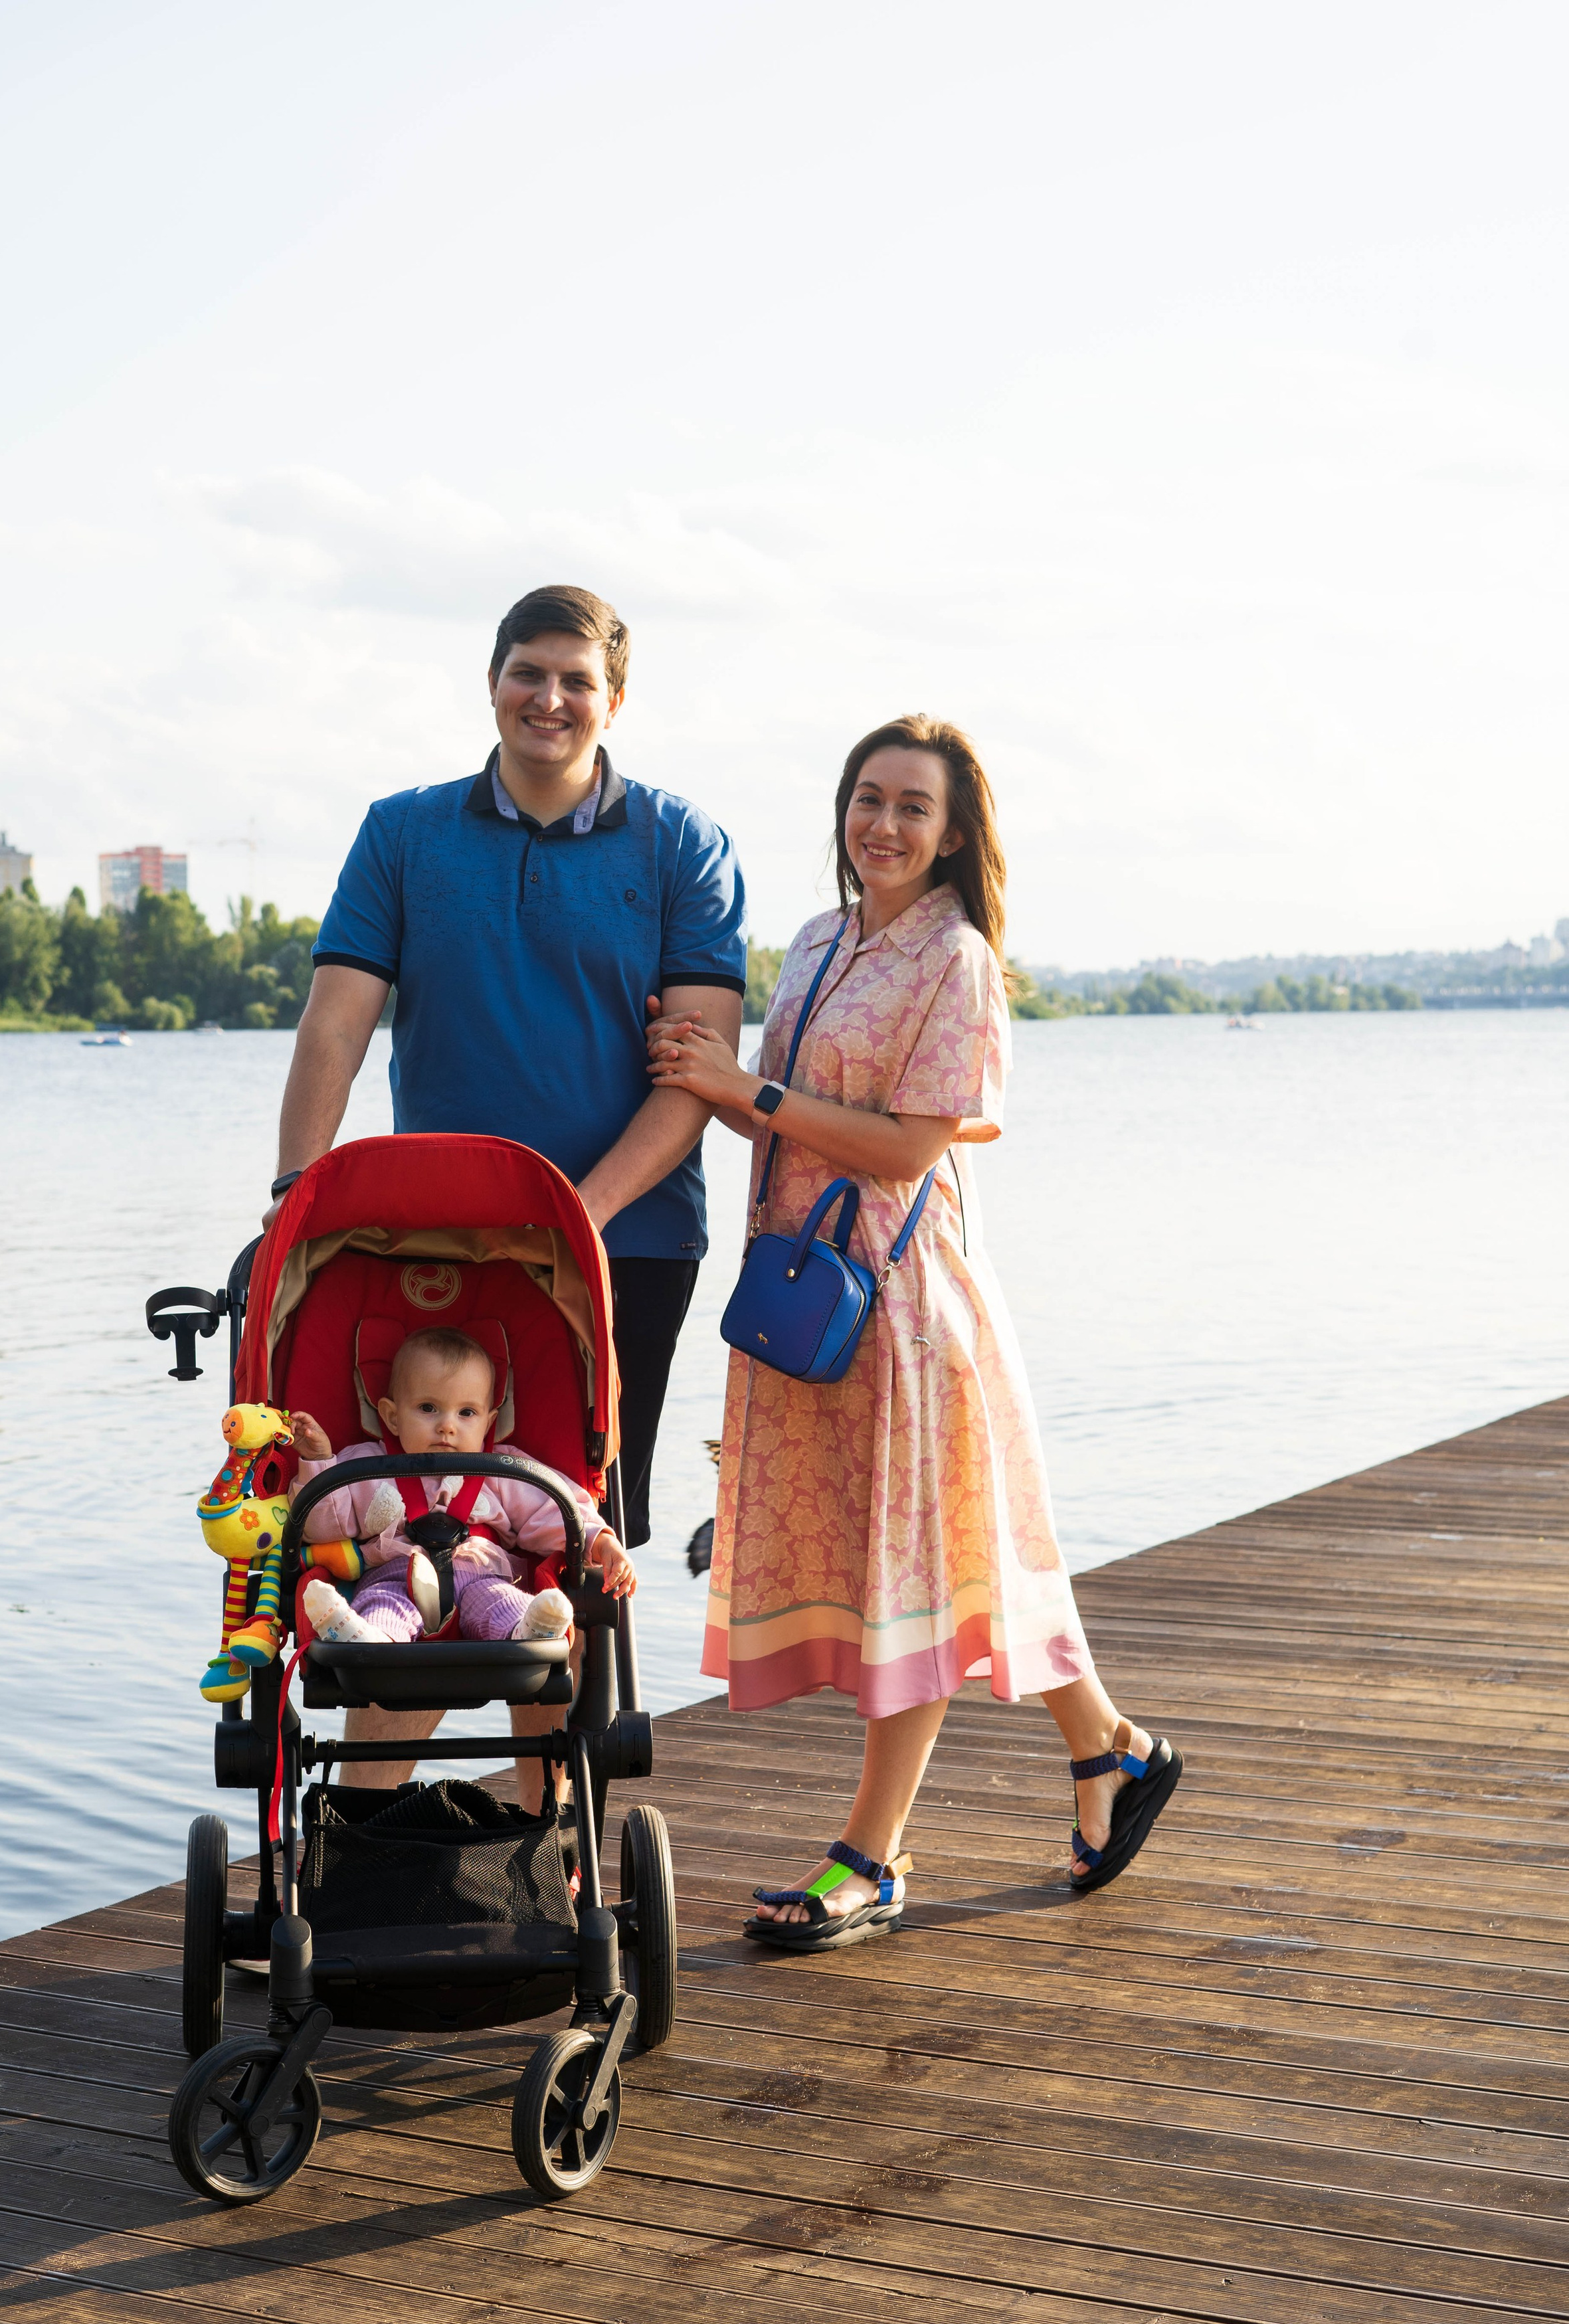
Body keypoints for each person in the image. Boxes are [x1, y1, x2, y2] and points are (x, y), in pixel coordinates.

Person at [648, 714, 1181, 1949]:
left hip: (904, 1304)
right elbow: (788, 1127)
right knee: (968, 1559)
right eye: (867, 799)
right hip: (804, 1295)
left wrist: (747, 1087)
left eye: (911, 808)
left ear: (952, 835)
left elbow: (906, 1148)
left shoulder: (961, 961)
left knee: (915, 1579)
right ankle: (1113, 1752)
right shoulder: (821, 939)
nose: (882, 825)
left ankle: (872, 1859)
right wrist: (710, 1079)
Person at [268, 583, 745, 1789]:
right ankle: (366, 1832)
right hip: (433, 1243)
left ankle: (550, 1834)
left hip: (624, 1245)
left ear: (614, 700)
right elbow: (336, 1027)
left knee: (564, 1551)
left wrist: (577, 1216)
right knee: (409, 1522)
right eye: (530, 672)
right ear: (493, 683)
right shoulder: (405, 833)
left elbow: (696, 1073)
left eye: (577, 679)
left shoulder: (681, 844)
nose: (551, 698)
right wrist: (293, 1201)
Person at [289, 1329, 636, 1806]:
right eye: (428, 1409)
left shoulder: (501, 1470)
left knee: (504, 1601)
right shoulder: (368, 1467)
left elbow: (554, 1513)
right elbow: (324, 1523)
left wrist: (601, 1541)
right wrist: (317, 1462)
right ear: (391, 1414)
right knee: (380, 1603)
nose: (447, 1427)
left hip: (481, 1574)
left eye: (466, 1413)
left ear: (490, 1420)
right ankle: (369, 1638)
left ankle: (527, 1630)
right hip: (399, 1575)